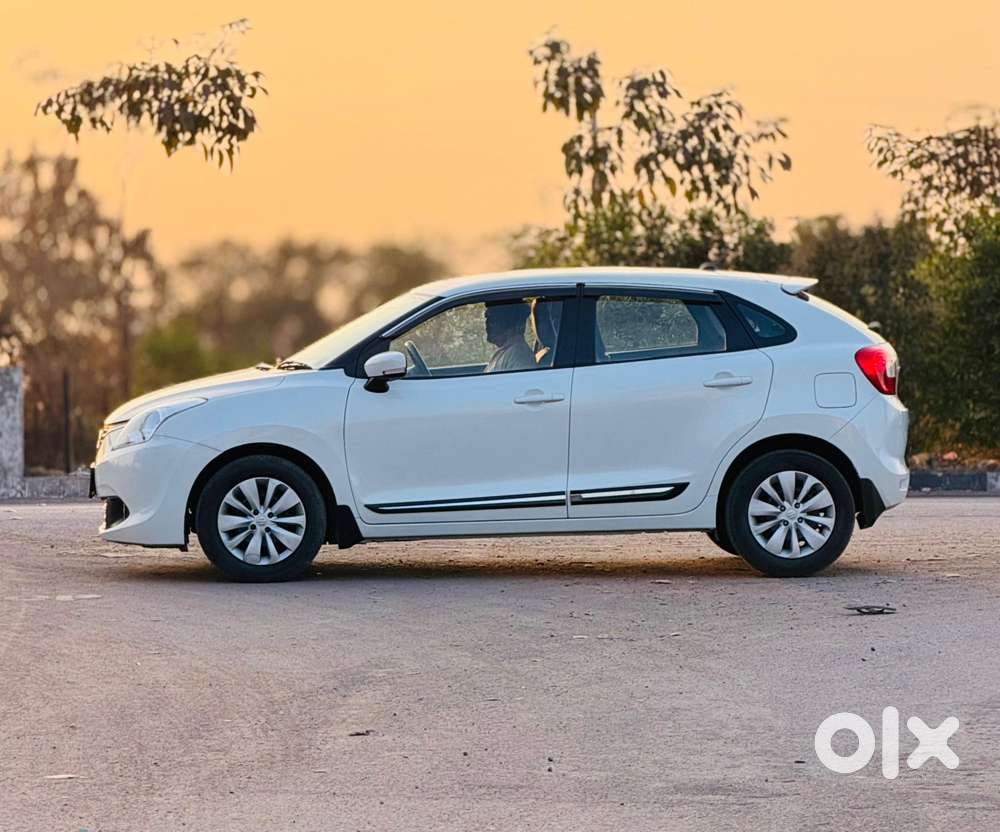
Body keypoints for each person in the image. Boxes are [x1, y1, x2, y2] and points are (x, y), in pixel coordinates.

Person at [484, 301, 535, 373]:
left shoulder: (519, 355)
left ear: (510, 324)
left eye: (492, 319)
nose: (487, 324)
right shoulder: (506, 351)